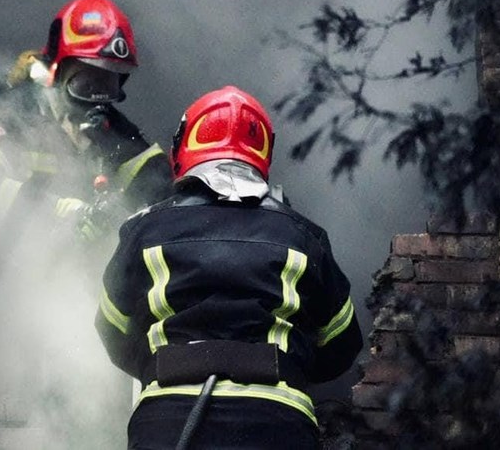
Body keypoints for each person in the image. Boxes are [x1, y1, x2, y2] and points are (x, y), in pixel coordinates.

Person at [95, 85, 363, 449]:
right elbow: (342, 343)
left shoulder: (144, 229)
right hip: (277, 422)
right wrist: (285, 369)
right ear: (262, 152)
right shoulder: (304, 236)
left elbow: (112, 329)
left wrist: (164, 366)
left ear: (185, 146)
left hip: (167, 419)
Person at [0, 0, 172, 297]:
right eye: (85, 83)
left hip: (70, 292)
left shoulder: (109, 128)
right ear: (55, 70)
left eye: (108, 83)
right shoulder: (12, 111)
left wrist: (120, 212)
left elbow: (158, 185)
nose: (97, 98)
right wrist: (56, 212)